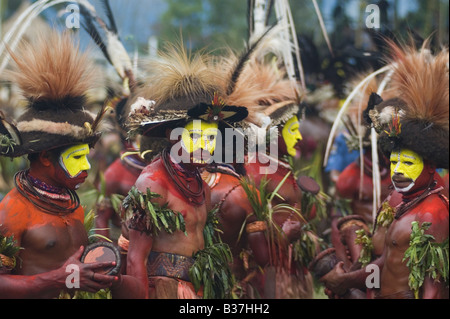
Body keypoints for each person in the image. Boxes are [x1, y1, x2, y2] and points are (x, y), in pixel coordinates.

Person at [0, 31, 144, 299]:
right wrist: (58, 279)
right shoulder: (12, 211)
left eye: (86, 157)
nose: (85, 168)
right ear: (45, 156)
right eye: (75, 158)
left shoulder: (72, 205)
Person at [320, 40, 449, 299]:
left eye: (409, 163)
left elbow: (433, 288)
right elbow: (387, 261)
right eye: (394, 162)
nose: (397, 171)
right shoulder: (402, 200)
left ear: (431, 166)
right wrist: (348, 281)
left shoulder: (433, 214)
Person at [122, 42, 248, 299]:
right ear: (172, 135)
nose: (205, 146)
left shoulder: (199, 183)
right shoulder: (153, 182)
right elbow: (135, 258)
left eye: (211, 139)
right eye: (196, 136)